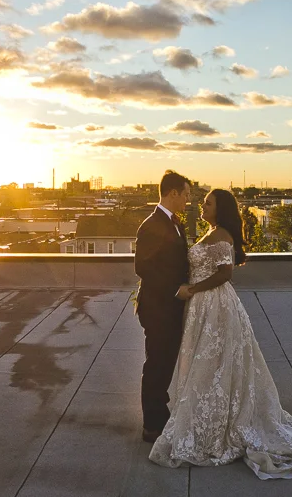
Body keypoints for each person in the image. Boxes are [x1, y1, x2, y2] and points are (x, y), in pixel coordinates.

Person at [149, 188, 292, 479]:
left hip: (214, 306)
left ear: (220, 209)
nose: (202, 206)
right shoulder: (212, 232)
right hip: (202, 306)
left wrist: (192, 289)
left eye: (208, 203)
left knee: (213, 363)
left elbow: (225, 273)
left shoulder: (221, 235)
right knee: (209, 364)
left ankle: (216, 423)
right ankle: (206, 416)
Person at [134, 170, 191, 443]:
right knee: (156, 364)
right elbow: (143, 267)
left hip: (170, 308)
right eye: (186, 194)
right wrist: (175, 289)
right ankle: (152, 425)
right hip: (157, 308)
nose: (188, 200)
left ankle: (160, 413)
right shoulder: (151, 225)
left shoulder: (175, 222)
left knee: (165, 362)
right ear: (173, 193)